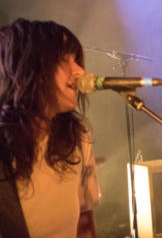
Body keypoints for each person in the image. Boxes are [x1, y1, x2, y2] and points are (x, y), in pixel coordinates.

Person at [0, 19, 100, 238]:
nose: (80, 71)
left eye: (77, 60)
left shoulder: (78, 136)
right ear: (32, 67)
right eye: (66, 59)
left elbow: (85, 223)